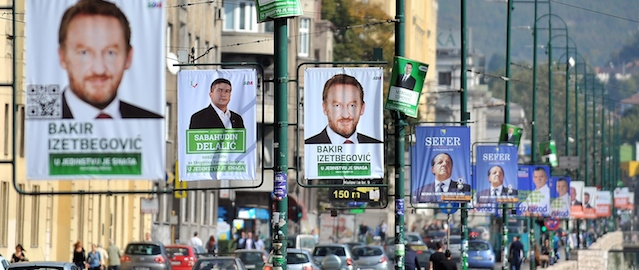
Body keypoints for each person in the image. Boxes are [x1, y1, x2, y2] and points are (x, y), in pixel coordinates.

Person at [58, 0, 162, 120]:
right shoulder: (37, 124)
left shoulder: (151, 122)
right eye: (84, 53)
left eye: (110, 53)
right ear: (63, 57)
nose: (99, 70)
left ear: (128, 57)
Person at [304, 73, 382, 144]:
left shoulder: (375, 145)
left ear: (362, 108)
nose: (345, 115)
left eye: (352, 105)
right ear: (325, 108)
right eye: (337, 106)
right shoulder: (309, 145)